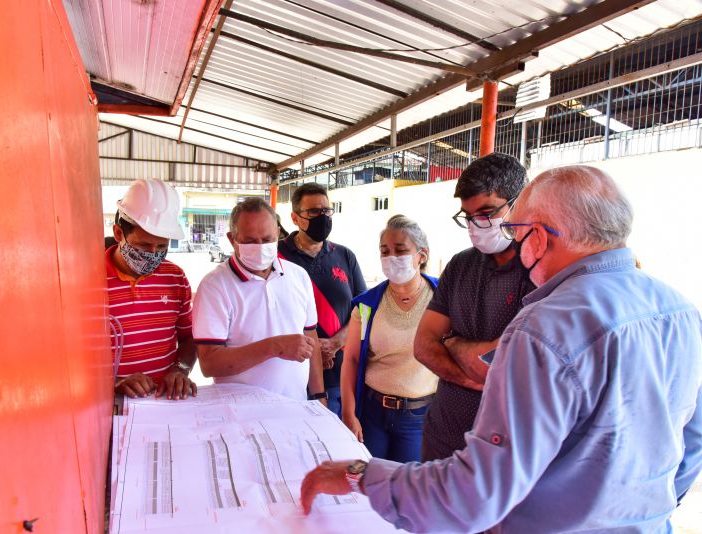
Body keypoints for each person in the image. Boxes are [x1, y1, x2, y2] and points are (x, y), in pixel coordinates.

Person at [300, 165, 702, 532]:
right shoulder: (681, 311)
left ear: (540, 237)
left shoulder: (546, 325)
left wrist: (360, 475)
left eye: (518, 232)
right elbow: (692, 441)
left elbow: (476, 496)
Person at [414, 152, 535, 461]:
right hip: (444, 435)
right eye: (468, 216)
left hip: (503, 450)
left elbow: (500, 364)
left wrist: (451, 342)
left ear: (520, 203)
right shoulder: (461, 265)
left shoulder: (538, 271)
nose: (476, 225)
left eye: (486, 212)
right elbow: (423, 346)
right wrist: (473, 381)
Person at [192, 197, 326, 402]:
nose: (260, 247)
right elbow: (209, 363)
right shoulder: (215, 286)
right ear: (231, 239)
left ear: (278, 235)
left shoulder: (299, 276)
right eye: (249, 241)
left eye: (267, 239)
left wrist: (319, 395)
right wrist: (275, 346)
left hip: (294, 407)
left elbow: (311, 338)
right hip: (240, 414)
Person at [340, 215, 438, 463]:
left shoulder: (441, 298)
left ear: (422, 255)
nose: (391, 257)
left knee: (410, 490)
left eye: (401, 250)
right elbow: (351, 359)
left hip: (420, 417)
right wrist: (349, 414)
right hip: (372, 414)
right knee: (370, 486)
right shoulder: (367, 304)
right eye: (385, 251)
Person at [278, 183, 366, 416]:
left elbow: (365, 310)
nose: (323, 217)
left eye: (327, 211)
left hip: (338, 375)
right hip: (289, 376)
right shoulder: (276, 256)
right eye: (314, 212)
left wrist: (336, 342)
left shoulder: (345, 256)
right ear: (295, 218)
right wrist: (313, 347)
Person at [106, 179, 197, 399]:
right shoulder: (87, 281)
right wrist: (114, 383)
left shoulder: (175, 277)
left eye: (162, 246)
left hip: (164, 401)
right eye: (144, 245)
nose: (153, 253)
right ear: (119, 233)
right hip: (114, 407)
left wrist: (181, 369)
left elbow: (189, 337)